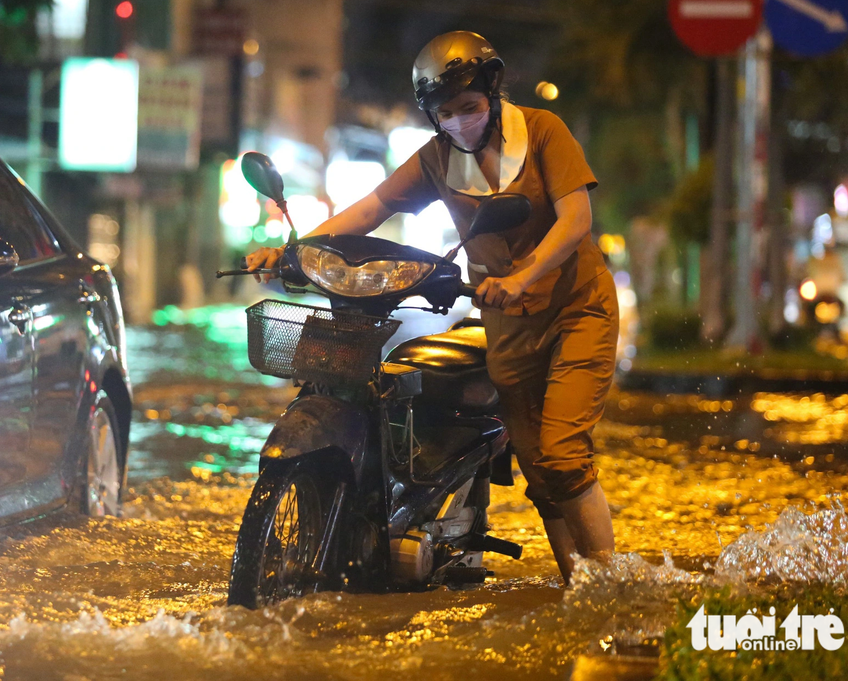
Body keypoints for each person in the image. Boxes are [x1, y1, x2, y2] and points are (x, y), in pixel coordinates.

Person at [246, 31, 618, 584]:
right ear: (432, 116)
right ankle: (579, 590)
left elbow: (575, 221)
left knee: (563, 457)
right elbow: (370, 209)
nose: (460, 121)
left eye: (469, 107)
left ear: (492, 95)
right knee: (541, 475)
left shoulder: (543, 132)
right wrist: (294, 251)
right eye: (446, 113)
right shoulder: (437, 160)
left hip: (575, 310)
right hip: (508, 324)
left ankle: (611, 588)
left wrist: (522, 276)